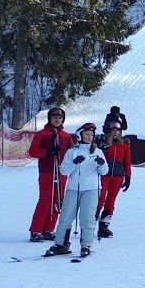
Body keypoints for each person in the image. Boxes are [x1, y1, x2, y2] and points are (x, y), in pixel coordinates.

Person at [43, 123, 108, 258]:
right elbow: (63, 170)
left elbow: (104, 171)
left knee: (87, 218)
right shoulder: (72, 152)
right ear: (80, 136)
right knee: (66, 216)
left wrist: (101, 164)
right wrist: (74, 163)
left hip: (91, 189)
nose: (89, 137)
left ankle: (86, 245)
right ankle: (61, 244)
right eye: (86, 134)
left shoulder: (98, 152)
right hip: (73, 189)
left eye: (91, 135)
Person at [26, 106, 73, 242]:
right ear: (49, 118)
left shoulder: (66, 136)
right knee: (46, 199)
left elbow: (71, 153)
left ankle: (48, 229)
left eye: (60, 118)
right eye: (54, 117)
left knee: (58, 201)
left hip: (61, 172)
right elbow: (32, 152)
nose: (57, 120)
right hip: (47, 171)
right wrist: (47, 151)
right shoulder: (42, 134)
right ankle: (36, 230)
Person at [96, 122, 133, 237]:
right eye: (113, 130)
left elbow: (127, 162)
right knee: (100, 198)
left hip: (117, 176)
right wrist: (102, 148)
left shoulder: (124, 145)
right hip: (104, 175)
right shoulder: (104, 143)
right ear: (109, 132)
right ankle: (91, 222)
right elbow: (96, 155)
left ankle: (104, 227)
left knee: (111, 200)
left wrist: (128, 177)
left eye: (117, 130)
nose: (115, 132)